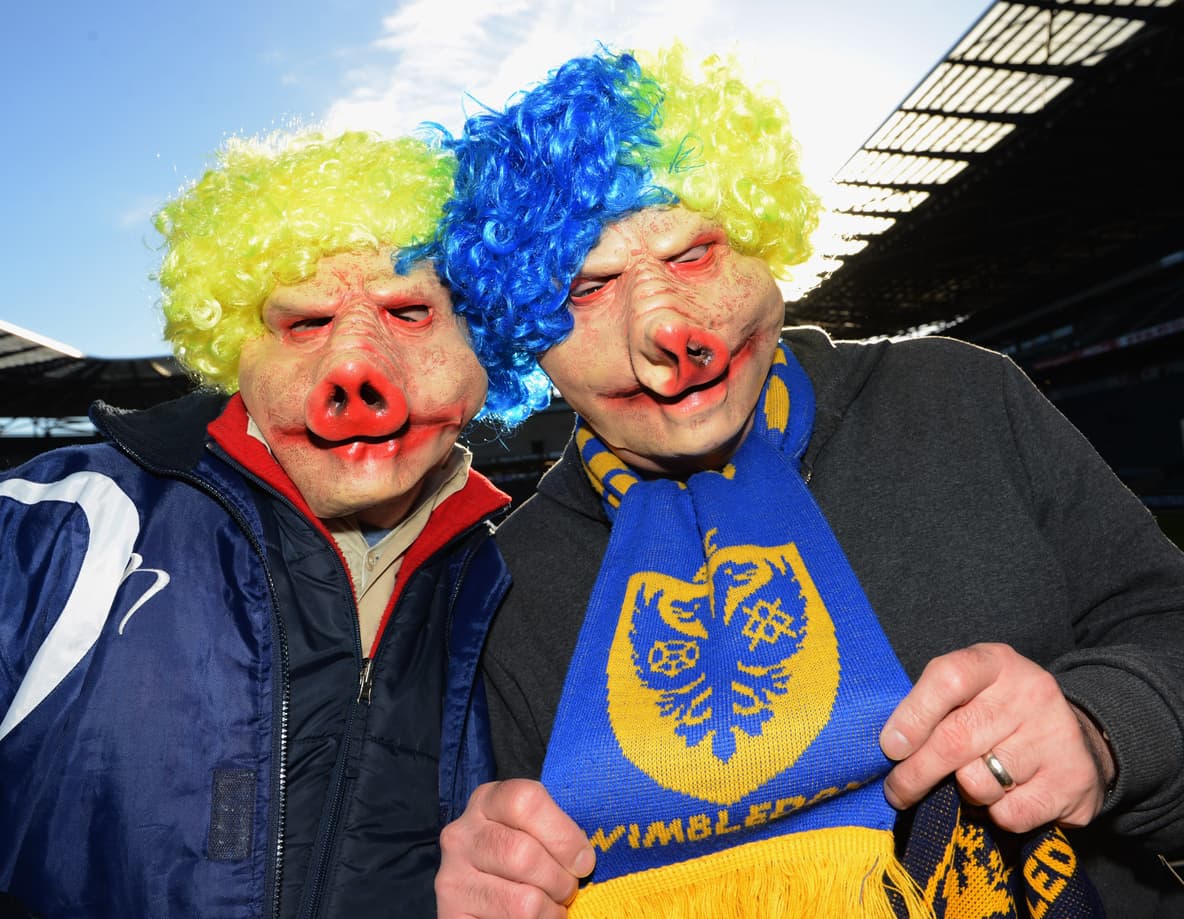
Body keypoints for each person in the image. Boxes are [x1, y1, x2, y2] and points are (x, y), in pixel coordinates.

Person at [424, 45, 1184, 918]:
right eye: (588, 288)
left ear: (761, 236)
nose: (669, 334)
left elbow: (1165, 622)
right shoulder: (507, 584)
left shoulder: (961, 395)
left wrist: (1104, 727)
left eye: (695, 252)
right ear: (527, 331)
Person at [0, 129, 512, 918]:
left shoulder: (528, 585)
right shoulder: (16, 537)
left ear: (487, 337)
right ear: (235, 350)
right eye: (304, 323)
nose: (356, 375)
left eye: (407, 311)